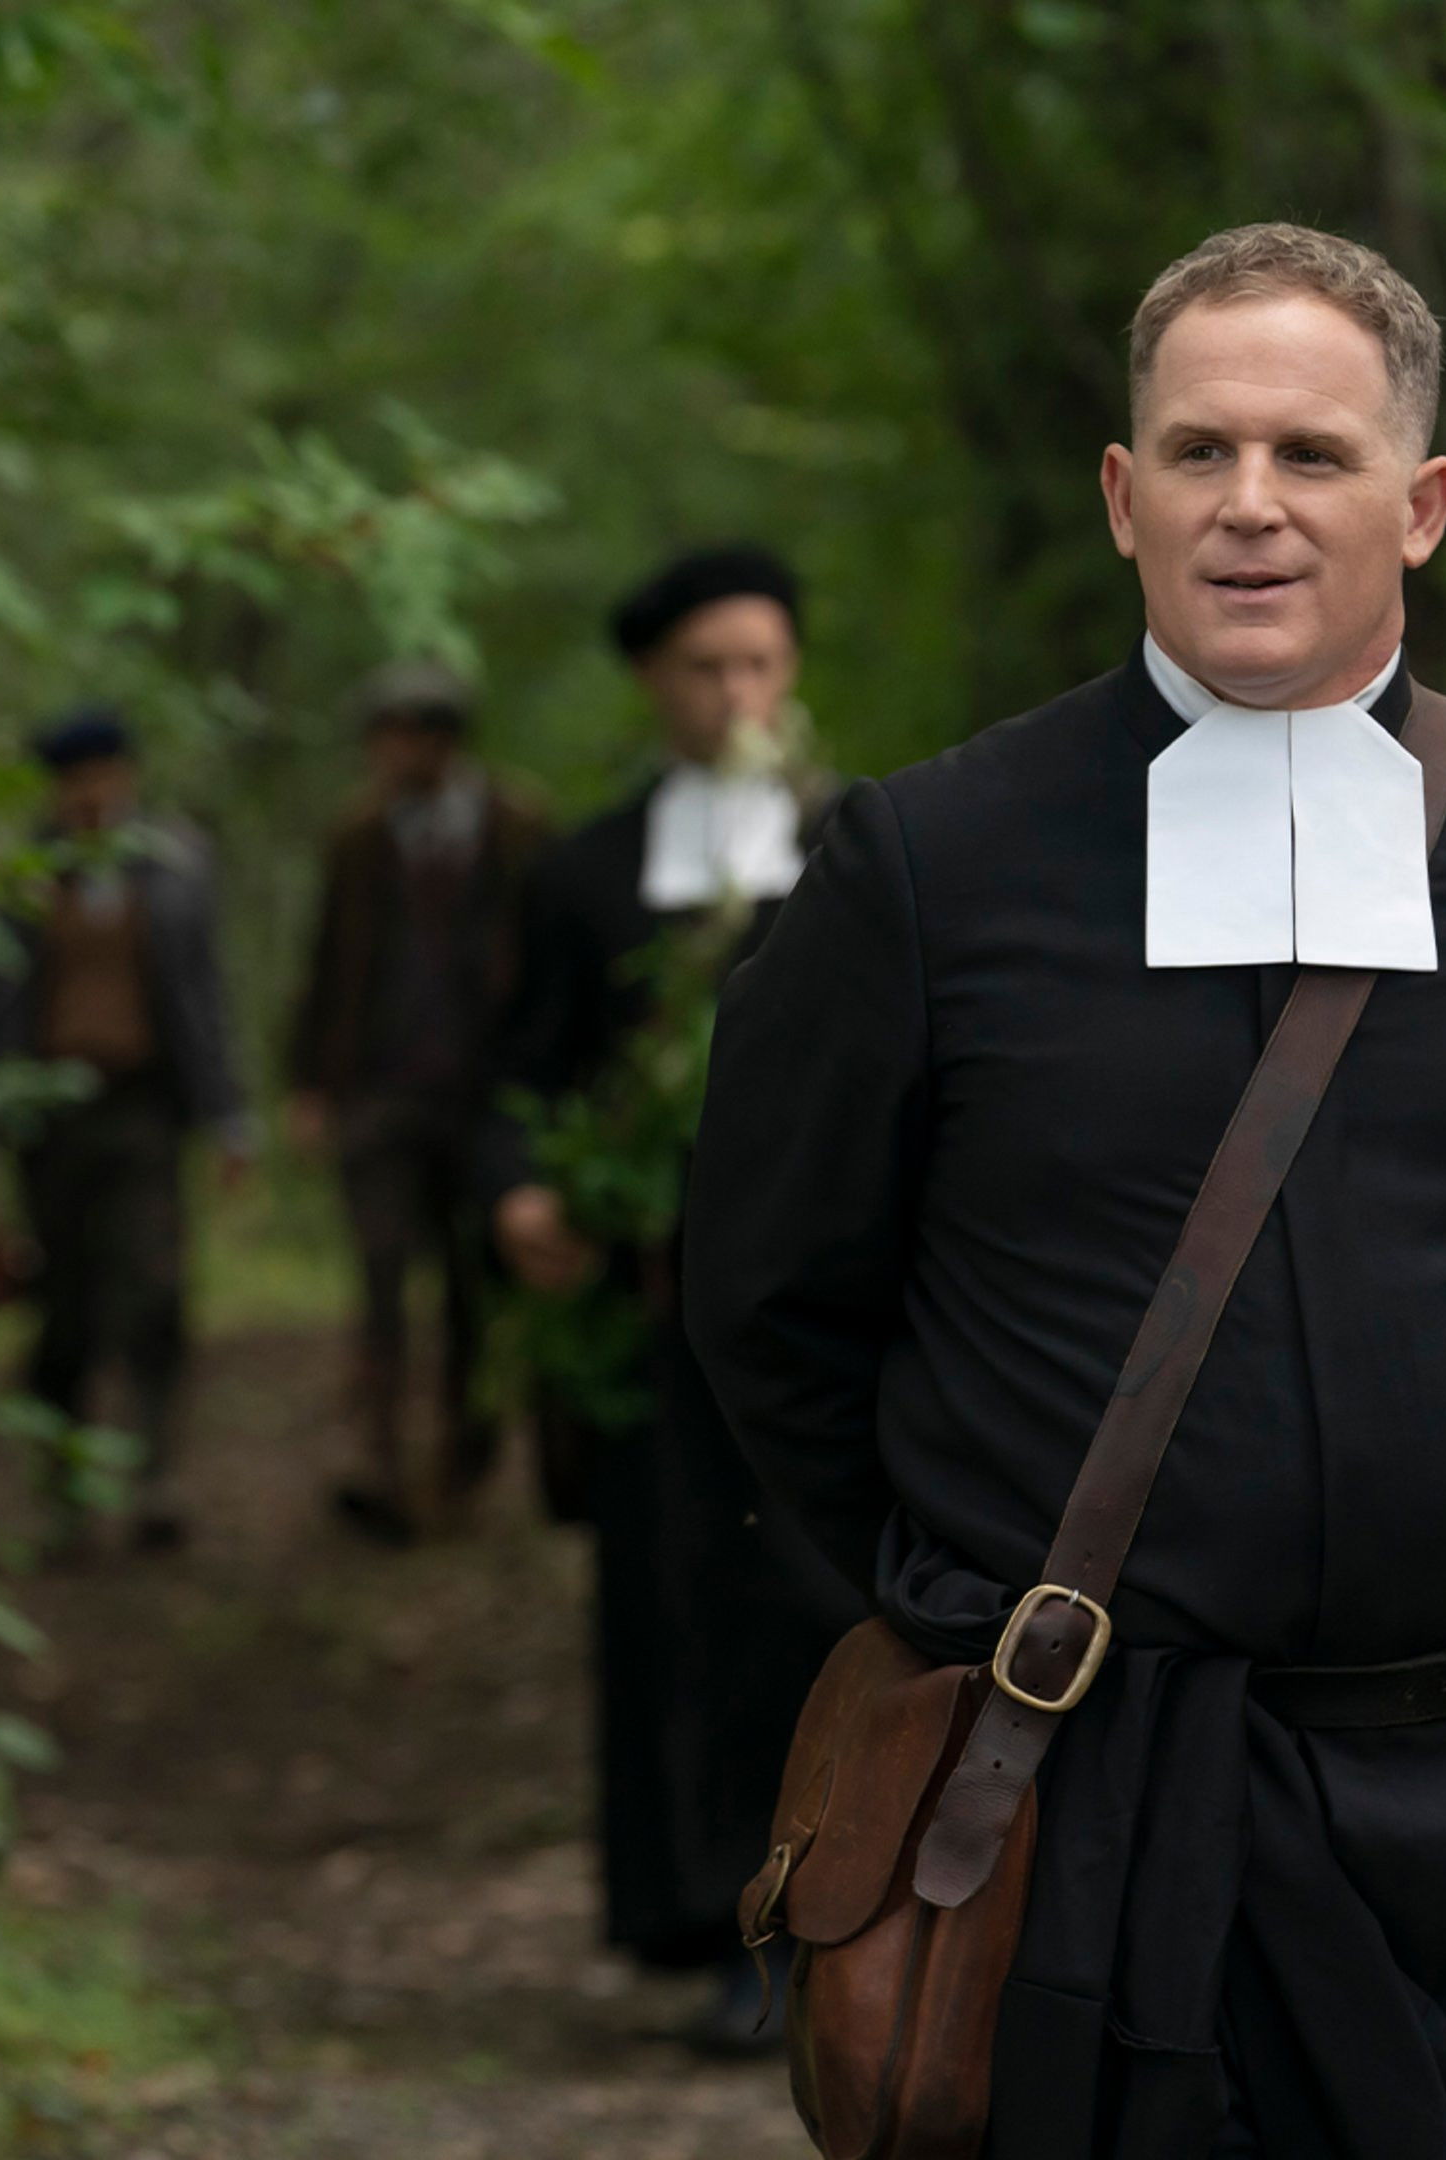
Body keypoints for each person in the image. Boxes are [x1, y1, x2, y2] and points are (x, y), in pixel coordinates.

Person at [685, 224, 1446, 2154]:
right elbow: (772, 1301)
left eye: (1313, 453)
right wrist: (972, 1579)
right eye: (1200, 452)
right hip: (1131, 1829)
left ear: (1425, 505)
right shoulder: (932, 867)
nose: (1253, 504)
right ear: (1122, 498)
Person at [486, 546, 861, 2053]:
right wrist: (521, 1194)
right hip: (654, 1316)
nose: (737, 694)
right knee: (680, 1604)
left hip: (837, 1311)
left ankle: (851, 1922)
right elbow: (520, 1076)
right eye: (707, 667)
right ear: (653, 681)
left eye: (762, 663)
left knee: (826, 1608)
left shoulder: (860, 844)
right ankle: (715, 1921)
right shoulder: (586, 873)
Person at [0, 707, 252, 1550]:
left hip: (145, 1111)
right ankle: (64, 1490)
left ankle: (156, 1474)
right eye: (73, 780)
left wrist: (229, 1115)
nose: (90, 795)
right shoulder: (25, 876)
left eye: (102, 775)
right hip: (50, 1124)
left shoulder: (175, 868)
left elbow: (203, 997)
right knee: (65, 1306)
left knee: (156, 1287)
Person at [284, 661, 549, 1544]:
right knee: (381, 1273)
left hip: (485, 1093)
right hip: (381, 1089)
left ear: (445, 740)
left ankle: (464, 1455)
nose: (392, 754)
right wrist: (311, 1083)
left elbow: (552, 955)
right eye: (383, 735)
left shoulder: (517, 823)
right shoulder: (358, 837)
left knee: (474, 1283)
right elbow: (327, 959)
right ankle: (379, 1460)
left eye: (407, 734)